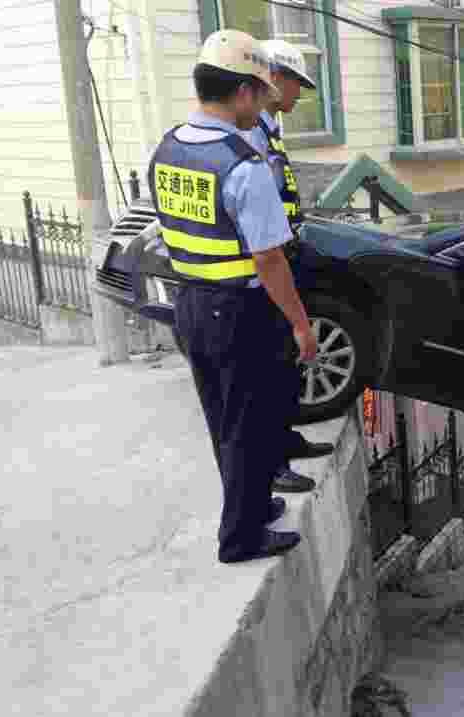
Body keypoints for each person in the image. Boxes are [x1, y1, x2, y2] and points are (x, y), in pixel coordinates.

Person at [147, 29, 318, 563]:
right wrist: (300, 323)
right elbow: (269, 260)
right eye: (262, 92)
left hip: (190, 304)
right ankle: (241, 537)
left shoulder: (169, 148)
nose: (266, 102)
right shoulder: (242, 166)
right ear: (242, 92)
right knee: (253, 421)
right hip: (239, 309)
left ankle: (251, 506)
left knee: (224, 419)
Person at [244, 38, 334, 494]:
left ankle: (286, 440)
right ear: (273, 78)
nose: (300, 95)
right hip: (261, 272)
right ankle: (272, 461)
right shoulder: (250, 133)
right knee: (267, 369)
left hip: (283, 254)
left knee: (284, 368)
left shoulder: (268, 128)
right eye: (296, 83)